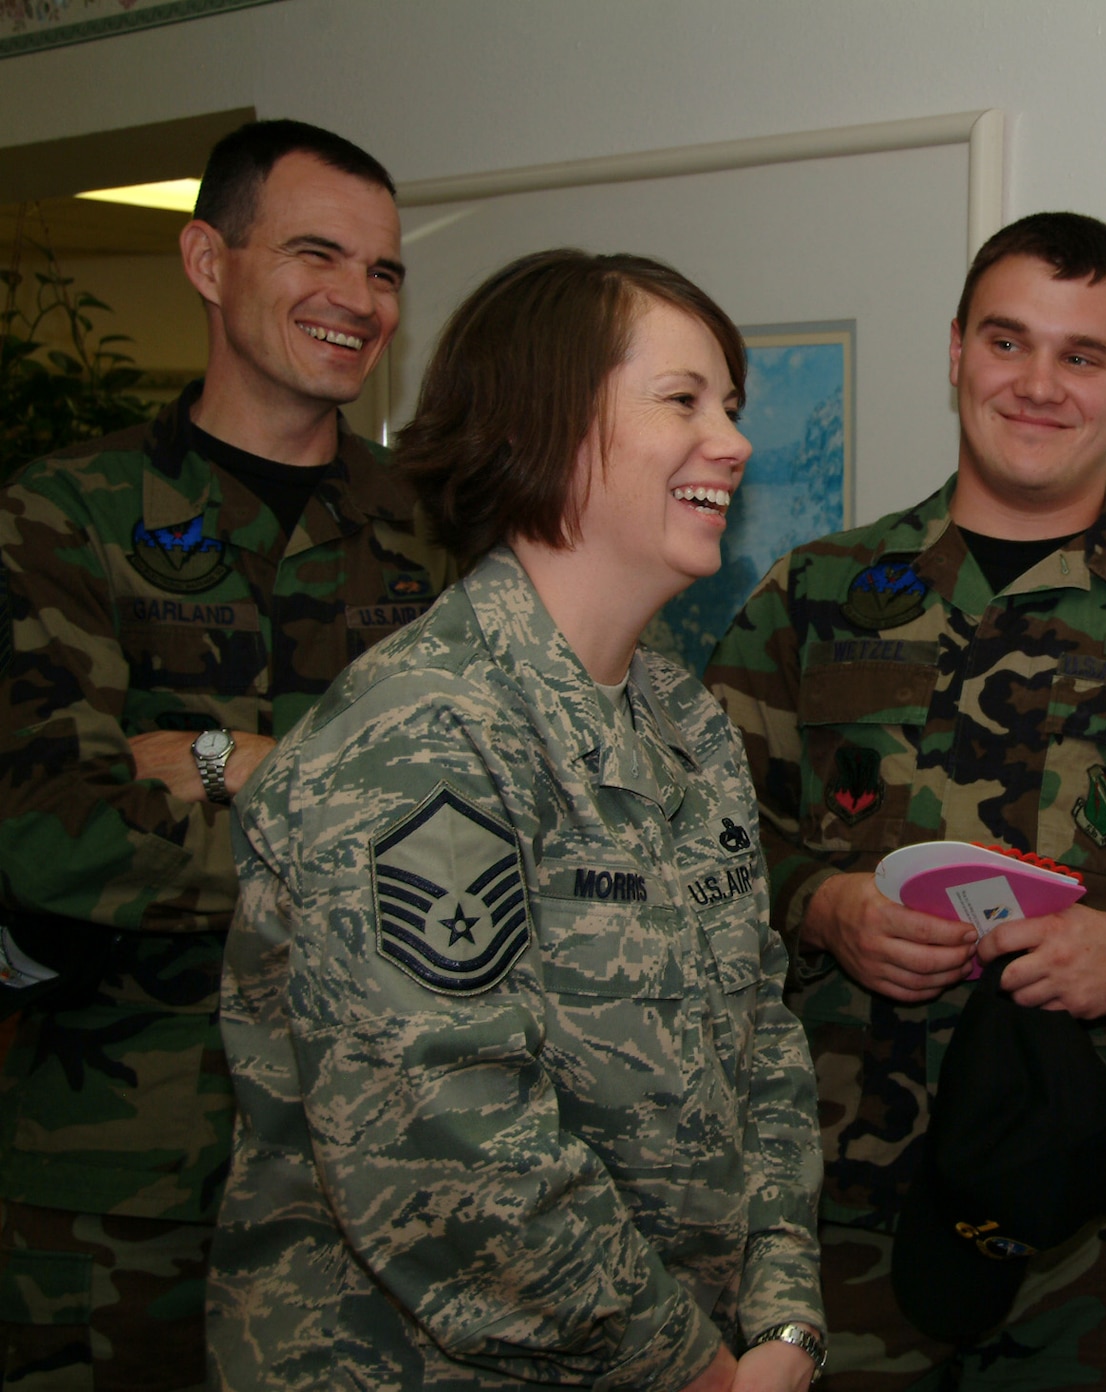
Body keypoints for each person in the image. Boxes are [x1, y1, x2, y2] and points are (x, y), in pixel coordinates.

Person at [706, 211, 1106, 1390]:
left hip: (1100, 1246)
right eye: (1008, 343)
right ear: (955, 351)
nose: (1039, 384)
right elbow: (696, 856)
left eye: (1082, 356)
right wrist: (823, 907)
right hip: (825, 1224)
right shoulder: (816, 599)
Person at [206, 249, 825, 1392]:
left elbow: (764, 1048)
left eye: (729, 406)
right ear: (544, 425)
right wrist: (692, 1366)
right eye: (682, 400)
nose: (731, 441)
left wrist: (781, 1328)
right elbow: (446, 1143)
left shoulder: (684, 723)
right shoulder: (423, 734)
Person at [0, 119, 451, 1390]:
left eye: (384, 272)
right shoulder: (63, 517)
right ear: (208, 259)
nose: (357, 300)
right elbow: (54, 838)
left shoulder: (438, 545)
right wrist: (364, 827)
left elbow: (482, 808)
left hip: (381, 1174)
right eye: (319, 254)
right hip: (124, 1183)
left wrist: (218, 756)